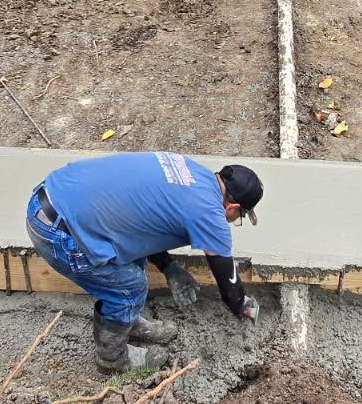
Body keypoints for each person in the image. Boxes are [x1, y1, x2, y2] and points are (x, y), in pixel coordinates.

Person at [25, 151, 263, 371]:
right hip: (59, 232)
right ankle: (112, 358)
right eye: (240, 216)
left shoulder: (191, 170)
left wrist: (169, 268)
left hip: (52, 197)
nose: (234, 219)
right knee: (130, 287)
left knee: (133, 260)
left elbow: (145, 224)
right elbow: (228, 283)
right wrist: (242, 306)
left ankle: (129, 322)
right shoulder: (210, 213)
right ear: (233, 207)